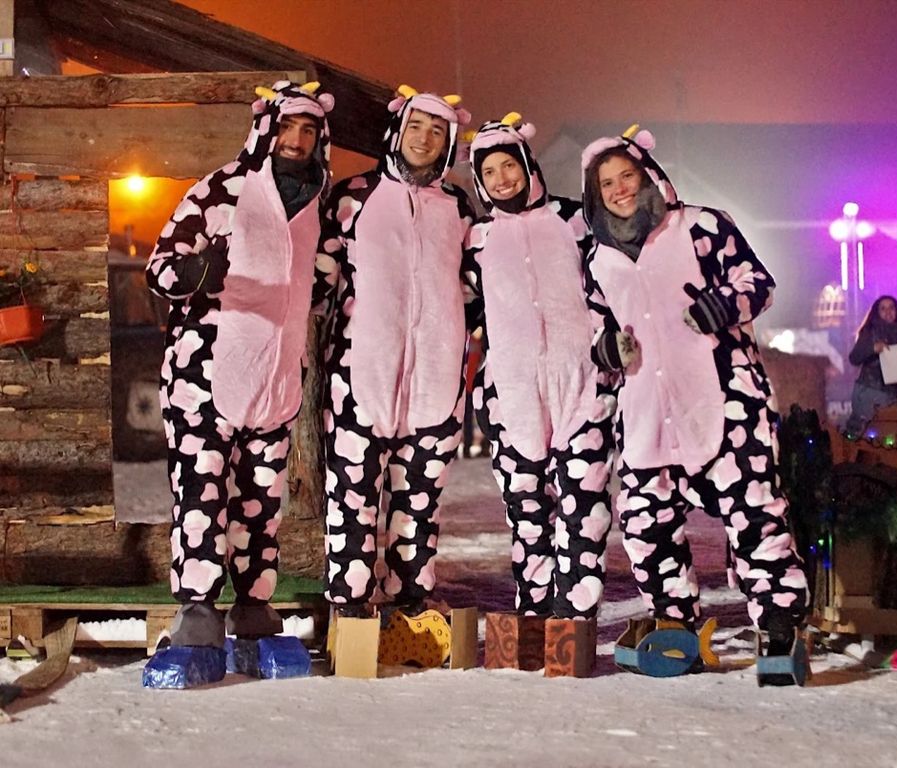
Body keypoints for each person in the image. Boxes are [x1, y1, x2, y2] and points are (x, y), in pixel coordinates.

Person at [580, 126, 808, 681]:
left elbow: (758, 282)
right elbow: (595, 328)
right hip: (646, 413)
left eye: (627, 176)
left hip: (726, 402)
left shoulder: (701, 226)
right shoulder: (597, 260)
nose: (619, 189)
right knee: (645, 523)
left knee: (754, 515)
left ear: (648, 176)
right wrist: (607, 348)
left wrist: (721, 307)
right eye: (606, 183)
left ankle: (779, 625)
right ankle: (674, 622)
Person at [143, 80, 335, 687]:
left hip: (273, 378)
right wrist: (199, 271)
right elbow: (159, 269)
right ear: (265, 129)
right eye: (287, 127)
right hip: (204, 371)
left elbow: (324, 283)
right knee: (202, 494)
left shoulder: (318, 207)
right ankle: (198, 610)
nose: (296, 140)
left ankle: (254, 609)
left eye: (308, 130)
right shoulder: (221, 189)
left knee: (261, 500)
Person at [464, 114, 616, 673]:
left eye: (510, 166)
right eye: (490, 172)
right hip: (514, 396)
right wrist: (482, 388)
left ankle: (574, 617)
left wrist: (609, 355)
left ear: (529, 165)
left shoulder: (574, 222)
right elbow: (463, 310)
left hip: (580, 387)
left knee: (583, 509)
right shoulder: (477, 240)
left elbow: (609, 287)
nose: (502, 179)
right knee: (527, 513)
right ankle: (534, 616)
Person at [315, 85, 474, 620]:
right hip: (360, 373)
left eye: (438, 131)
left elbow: (475, 286)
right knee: (352, 497)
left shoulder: (458, 207)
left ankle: (410, 602)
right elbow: (319, 278)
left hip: (436, 379)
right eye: (416, 127)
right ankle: (351, 605)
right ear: (398, 130)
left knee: (419, 501)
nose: (424, 139)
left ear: (449, 143)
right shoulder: (353, 196)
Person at [845, 295, 897, 435]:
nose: (888, 312)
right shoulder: (870, 332)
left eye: (891, 308)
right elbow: (854, 358)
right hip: (869, 392)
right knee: (867, 435)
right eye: (883, 309)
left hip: (890, 394)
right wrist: (873, 348)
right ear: (877, 312)